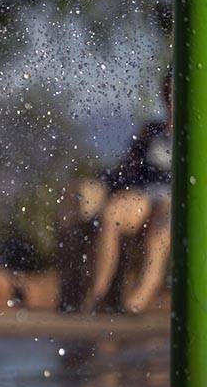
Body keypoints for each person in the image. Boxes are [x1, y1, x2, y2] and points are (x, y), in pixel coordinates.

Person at [57, 73, 172, 314]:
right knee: (112, 214)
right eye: (170, 92)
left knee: (162, 224)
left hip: (174, 201)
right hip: (145, 195)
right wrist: (108, 185)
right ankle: (99, 295)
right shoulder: (152, 132)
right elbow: (127, 170)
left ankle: (137, 302)